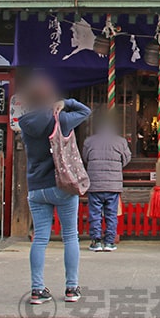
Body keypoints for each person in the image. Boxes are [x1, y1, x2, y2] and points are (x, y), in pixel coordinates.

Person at [18, 72, 91, 305]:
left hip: (36, 187)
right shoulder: (61, 119)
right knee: (70, 236)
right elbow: (85, 111)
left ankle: (37, 290)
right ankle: (71, 288)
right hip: (62, 185)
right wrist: (66, 103)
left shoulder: (25, 123)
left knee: (40, 238)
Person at [81, 110, 131, 252]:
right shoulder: (120, 142)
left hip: (95, 183)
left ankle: (96, 241)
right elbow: (127, 159)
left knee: (95, 213)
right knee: (111, 213)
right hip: (113, 184)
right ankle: (109, 242)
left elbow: (86, 158)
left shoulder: (89, 142)